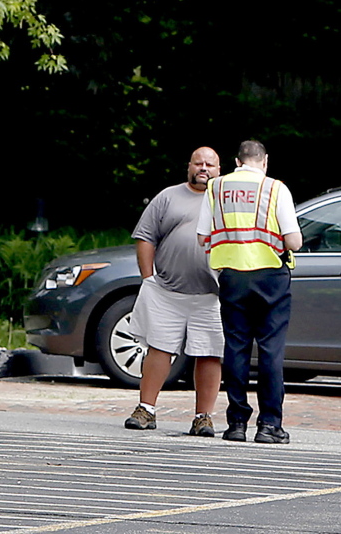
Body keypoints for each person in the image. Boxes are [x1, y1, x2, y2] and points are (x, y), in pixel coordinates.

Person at [197, 140, 302, 444]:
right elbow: (293, 241)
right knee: (270, 351)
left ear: (236, 161)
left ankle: (236, 424)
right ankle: (269, 426)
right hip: (270, 276)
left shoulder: (215, 188)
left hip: (231, 277)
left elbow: (203, 236)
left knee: (236, 349)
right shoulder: (275, 188)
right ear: (264, 161)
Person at [123, 147, 224, 437]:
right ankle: (146, 409)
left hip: (211, 294)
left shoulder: (224, 201)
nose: (203, 168)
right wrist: (148, 278)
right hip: (167, 290)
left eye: (210, 164)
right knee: (159, 348)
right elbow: (145, 237)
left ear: (219, 170)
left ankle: (203, 417)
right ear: (188, 166)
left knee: (209, 353)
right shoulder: (168, 197)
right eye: (198, 163)